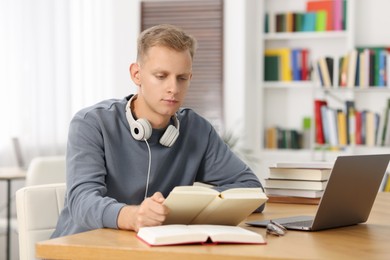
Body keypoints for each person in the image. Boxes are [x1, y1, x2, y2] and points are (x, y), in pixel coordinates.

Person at [51, 24, 264, 238]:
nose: (173, 88)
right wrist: (133, 216)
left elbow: (252, 190)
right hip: (82, 247)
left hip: (148, 249)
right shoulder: (91, 123)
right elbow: (82, 202)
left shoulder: (197, 130)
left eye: (182, 78)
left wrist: (188, 203)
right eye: (161, 76)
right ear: (136, 74)